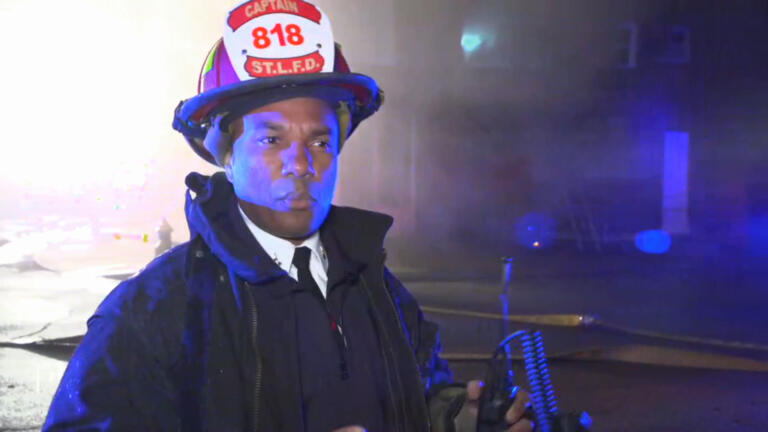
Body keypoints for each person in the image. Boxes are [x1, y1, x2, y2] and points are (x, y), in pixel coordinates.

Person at [44, 1, 533, 431]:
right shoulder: (153, 311)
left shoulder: (382, 293)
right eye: (271, 139)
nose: (301, 164)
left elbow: (416, 401)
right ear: (226, 155)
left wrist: (456, 418)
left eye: (319, 141)